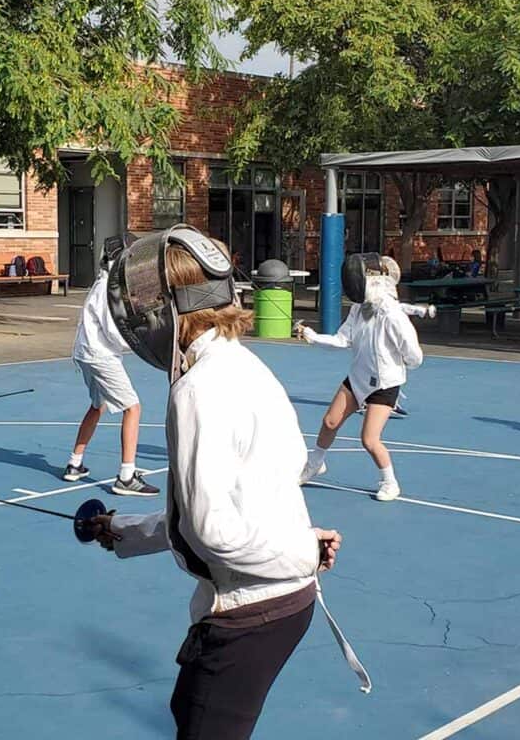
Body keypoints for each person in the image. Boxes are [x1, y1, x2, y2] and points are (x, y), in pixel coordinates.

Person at [92, 226, 357, 739]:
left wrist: (302, 549)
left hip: (251, 611)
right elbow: (223, 506)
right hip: (278, 601)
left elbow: (213, 532)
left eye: (151, 298)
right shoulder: (245, 365)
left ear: (174, 306)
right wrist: (123, 531)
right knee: (188, 710)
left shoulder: (199, 389)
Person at [297, 254, 424, 501]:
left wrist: (399, 359)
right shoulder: (358, 308)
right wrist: (313, 336)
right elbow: (343, 339)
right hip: (358, 377)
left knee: (369, 439)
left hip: (385, 384)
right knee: (330, 421)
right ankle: (316, 463)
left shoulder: (393, 315)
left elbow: (415, 357)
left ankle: (390, 482)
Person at [63, 235, 157, 496]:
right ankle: (126, 477)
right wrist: (141, 339)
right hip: (99, 355)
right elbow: (113, 332)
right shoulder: (107, 289)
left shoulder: (105, 284)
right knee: (133, 407)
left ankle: (75, 462)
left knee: (99, 405)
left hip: (86, 352)